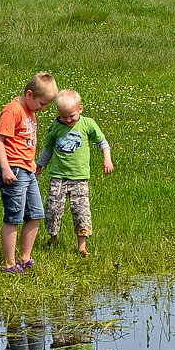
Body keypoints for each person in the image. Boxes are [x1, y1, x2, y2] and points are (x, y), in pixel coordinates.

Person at [35, 89, 114, 257]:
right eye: (64, 116)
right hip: (58, 177)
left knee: (81, 211)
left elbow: (102, 142)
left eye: (71, 116)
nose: (68, 120)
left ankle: (82, 247)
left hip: (79, 178)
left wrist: (107, 158)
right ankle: (53, 237)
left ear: (80, 109)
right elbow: (48, 150)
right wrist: (39, 166)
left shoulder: (87, 124)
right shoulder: (56, 127)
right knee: (53, 209)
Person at [0, 72, 57, 274]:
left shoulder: (30, 111)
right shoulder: (13, 111)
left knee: (36, 213)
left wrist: (32, 165)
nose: (44, 108)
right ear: (29, 95)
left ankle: (26, 258)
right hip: (12, 168)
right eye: (42, 104)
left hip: (26, 169)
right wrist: (5, 168)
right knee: (14, 215)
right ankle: (9, 264)